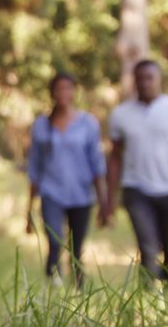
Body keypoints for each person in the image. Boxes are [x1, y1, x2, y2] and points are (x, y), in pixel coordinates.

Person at [104, 60, 168, 285]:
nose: (144, 83)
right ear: (134, 81)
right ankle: (146, 299)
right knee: (148, 247)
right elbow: (115, 157)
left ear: (159, 79)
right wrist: (110, 199)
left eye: (149, 77)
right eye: (140, 78)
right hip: (136, 190)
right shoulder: (121, 114)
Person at [26, 73, 107, 287]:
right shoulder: (42, 125)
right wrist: (29, 209)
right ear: (52, 92)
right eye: (59, 88)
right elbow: (34, 167)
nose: (63, 93)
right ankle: (54, 282)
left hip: (81, 194)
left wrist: (104, 203)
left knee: (76, 247)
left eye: (68, 88)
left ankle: (78, 288)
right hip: (51, 192)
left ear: (74, 92)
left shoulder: (87, 124)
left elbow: (97, 164)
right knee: (54, 240)